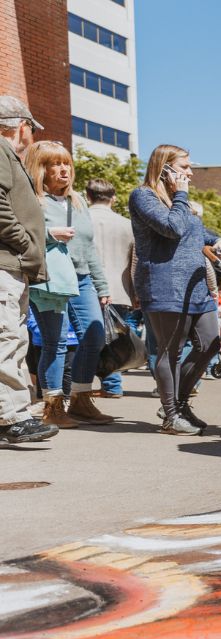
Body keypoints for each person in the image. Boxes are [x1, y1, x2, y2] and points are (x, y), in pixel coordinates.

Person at [130, 144, 221, 435]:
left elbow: (195, 231)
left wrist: (217, 239)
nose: (191, 172)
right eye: (184, 167)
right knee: (169, 351)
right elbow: (172, 228)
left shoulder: (178, 201)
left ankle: (180, 404)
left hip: (195, 287)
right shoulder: (143, 196)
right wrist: (181, 195)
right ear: (165, 169)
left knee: (210, 342)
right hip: (165, 285)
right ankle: (171, 415)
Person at [26, 141, 113, 428]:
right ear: (41, 168)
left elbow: (89, 247)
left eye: (66, 163)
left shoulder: (77, 201)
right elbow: (24, 236)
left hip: (83, 278)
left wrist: (102, 286)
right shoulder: (33, 199)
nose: (63, 169)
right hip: (50, 278)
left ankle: (80, 397)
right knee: (55, 342)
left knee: (94, 338)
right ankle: (52, 407)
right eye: (55, 164)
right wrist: (50, 234)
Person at [0, 96, 58, 444]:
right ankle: (11, 417)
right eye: (31, 130)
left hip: (14, 264)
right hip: (8, 261)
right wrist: (24, 243)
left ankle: (11, 413)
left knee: (14, 338)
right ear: (21, 126)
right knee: (6, 338)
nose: (31, 137)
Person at [86, 178, 136, 399]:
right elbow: (135, 262)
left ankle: (87, 385)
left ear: (88, 196)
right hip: (120, 289)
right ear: (113, 198)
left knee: (86, 338)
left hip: (88, 287)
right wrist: (136, 293)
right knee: (114, 339)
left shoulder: (82, 219)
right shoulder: (127, 224)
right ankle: (113, 384)